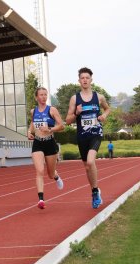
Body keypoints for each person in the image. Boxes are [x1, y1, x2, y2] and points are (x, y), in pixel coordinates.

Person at [65, 67, 111, 209]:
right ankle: (94, 191)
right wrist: (77, 113)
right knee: (87, 167)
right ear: (79, 81)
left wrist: (104, 116)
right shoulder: (75, 98)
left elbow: (107, 109)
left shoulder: (99, 97)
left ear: (91, 80)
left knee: (91, 162)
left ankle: (96, 191)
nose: (85, 80)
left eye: (87, 77)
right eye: (82, 78)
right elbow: (67, 120)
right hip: (82, 136)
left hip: (95, 134)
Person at [28, 87, 65, 209]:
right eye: (41, 95)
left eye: (45, 94)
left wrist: (50, 129)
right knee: (39, 171)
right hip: (38, 143)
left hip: (50, 143)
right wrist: (29, 132)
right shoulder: (33, 111)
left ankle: (56, 177)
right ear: (36, 97)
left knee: (50, 174)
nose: (43, 97)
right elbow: (33, 124)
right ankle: (41, 199)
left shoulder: (52, 110)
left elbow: (61, 126)